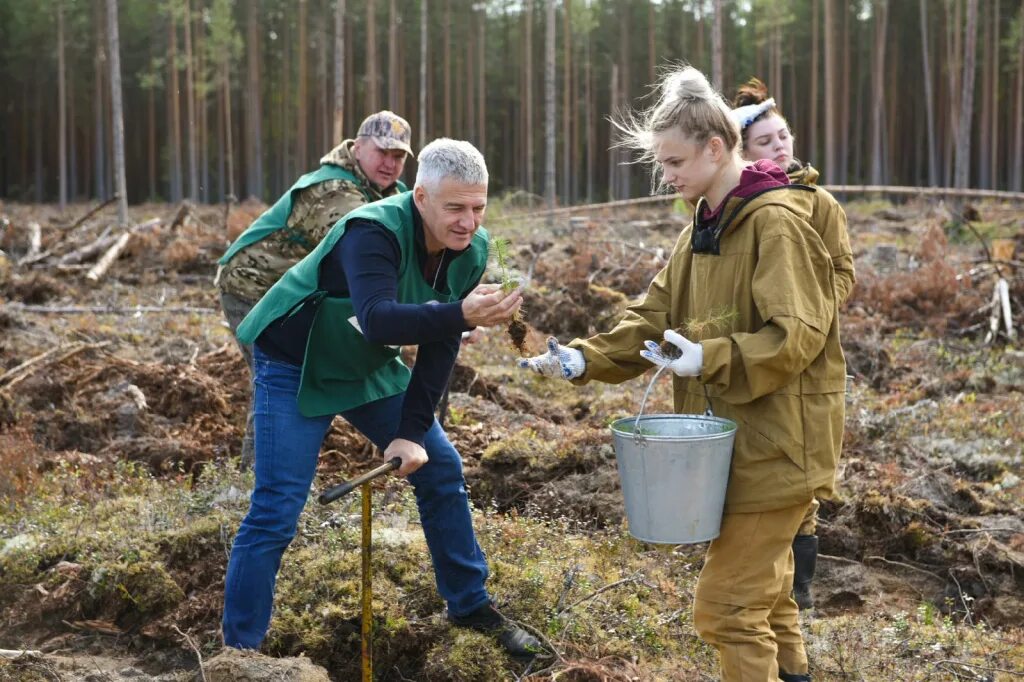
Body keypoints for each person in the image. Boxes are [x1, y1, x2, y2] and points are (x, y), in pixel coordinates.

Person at [519, 67, 846, 682]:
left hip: (780, 445)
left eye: (673, 161)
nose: (665, 175)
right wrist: (586, 358)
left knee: (725, 609)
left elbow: (800, 334)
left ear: (716, 148)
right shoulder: (700, 227)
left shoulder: (776, 222)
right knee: (769, 596)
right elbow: (654, 318)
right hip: (731, 440)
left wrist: (710, 357)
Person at [221, 138, 541, 659]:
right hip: (293, 361)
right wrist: (461, 315)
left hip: (363, 364)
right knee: (277, 509)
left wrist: (412, 433)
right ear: (420, 197)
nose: (468, 222)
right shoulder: (371, 231)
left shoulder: (471, 251)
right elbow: (377, 318)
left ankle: (470, 606)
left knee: (440, 466)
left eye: (478, 208)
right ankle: (240, 652)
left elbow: (439, 347)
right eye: (455, 207)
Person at [216, 110, 415, 465]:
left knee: (300, 377)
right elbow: (366, 258)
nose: (390, 163)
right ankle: (255, 479)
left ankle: (269, 470)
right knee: (280, 378)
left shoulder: (387, 192)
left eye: (398, 156)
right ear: (358, 148)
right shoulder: (333, 191)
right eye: (382, 152)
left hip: (296, 295)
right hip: (252, 287)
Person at [732, 77, 856, 611]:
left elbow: (844, 272)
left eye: (783, 136)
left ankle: (797, 590)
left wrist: (804, 310)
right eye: (767, 141)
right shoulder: (734, 205)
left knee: (801, 474)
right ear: (741, 152)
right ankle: (755, 574)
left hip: (807, 357)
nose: (781, 146)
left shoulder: (819, 202)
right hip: (750, 351)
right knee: (759, 462)